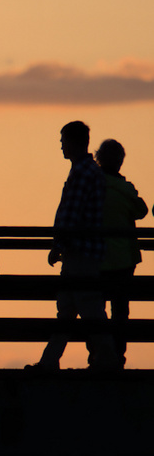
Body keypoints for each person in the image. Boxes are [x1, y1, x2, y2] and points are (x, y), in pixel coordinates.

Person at [30, 121, 110, 370]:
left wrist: (59, 244)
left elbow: (71, 215)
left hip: (79, 252)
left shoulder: (82, 173)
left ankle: (107, 359)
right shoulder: (89, 170)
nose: (61, 146)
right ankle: (51, 361)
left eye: (63, 140)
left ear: (74, 142)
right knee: (72, 308)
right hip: (84, 251)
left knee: (85, 308)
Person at [96, 139, 146, 369]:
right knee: (120, 311)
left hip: (95, 257)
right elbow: (142, 211)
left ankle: (98, 356)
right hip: (124, 259)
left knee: (96, 311)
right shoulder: (125, 189)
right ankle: (118, 357)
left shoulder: (92, 185)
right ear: (120, 162)